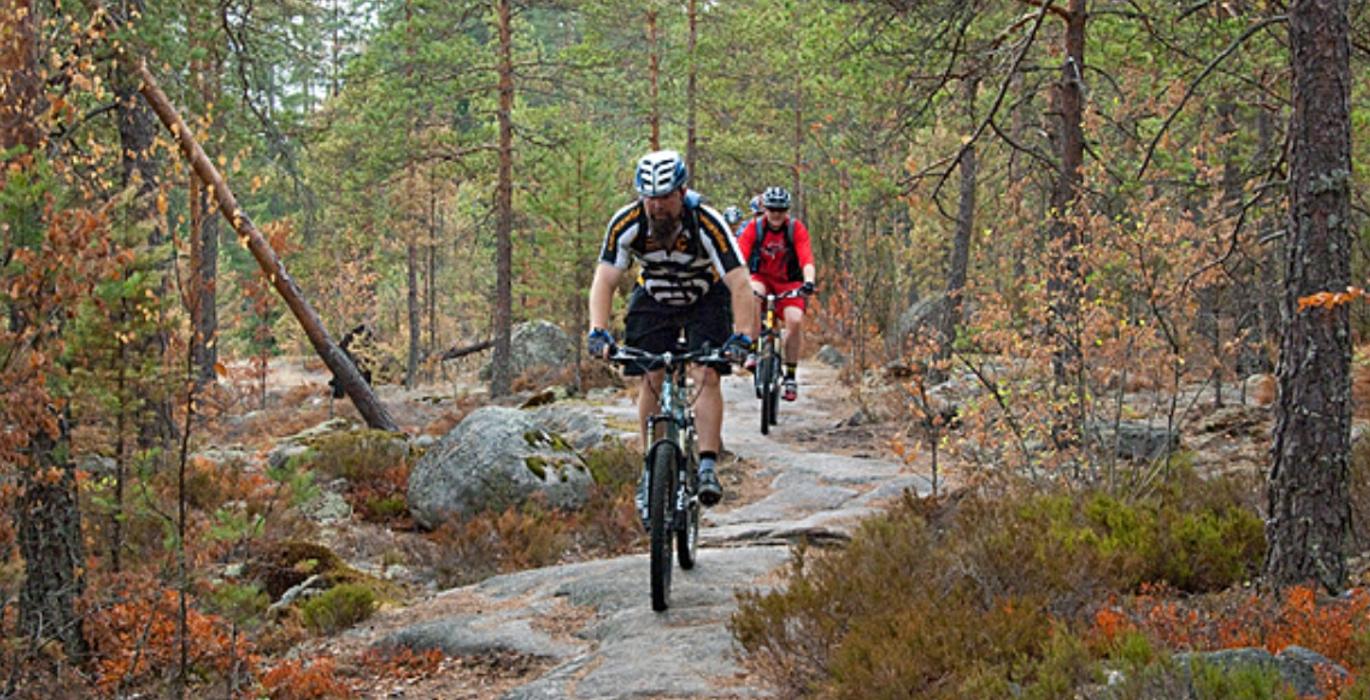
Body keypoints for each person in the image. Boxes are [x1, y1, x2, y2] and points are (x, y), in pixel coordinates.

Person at [586, 150, 755, 520]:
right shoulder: (627, 223)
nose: (657, 206)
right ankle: (650, 467)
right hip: (654, 297)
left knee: (705, 372)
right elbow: (605, 279)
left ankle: (707, 465)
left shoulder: (707, 222)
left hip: (704, 297)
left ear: (682, 192)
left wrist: (743, 336)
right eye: (649, 197)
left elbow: (740, 283)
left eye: (664, 197)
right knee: (650, 373)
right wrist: (598, 331)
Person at [734, 186, 816, 402]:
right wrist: (736, 281)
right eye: (772, 209)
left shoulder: (795, 229)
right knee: (752, 295)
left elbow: (806, 259)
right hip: (762, 277)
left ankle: (790, 376)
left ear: (786, 211)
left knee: (794, 321)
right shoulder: (755, 228)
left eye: (781, 210)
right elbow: (739, 258)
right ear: (765, 210)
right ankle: (753, 348)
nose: (776, 214)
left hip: (789, 282)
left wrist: (809, 281)